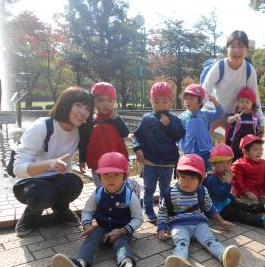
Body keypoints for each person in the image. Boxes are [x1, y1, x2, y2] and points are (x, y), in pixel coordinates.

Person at [51, 152, 143, 267]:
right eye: (106, 175)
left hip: (121, 230)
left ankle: (127, 266)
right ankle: (80, 264)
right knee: (91, 239)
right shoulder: (98, 193)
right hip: (101, 227)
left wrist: (123, 230)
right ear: (99, 176)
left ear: (125, 175)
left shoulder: (130, 196)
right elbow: (87, 211)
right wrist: (87, 224)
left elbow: (138, 218)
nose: (110, 179)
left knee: (121, 244)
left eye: (116, 174)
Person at [12, 86, 93, 237]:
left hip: (55, 178)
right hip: (29, 181)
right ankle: (31, 215)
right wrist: (49, 163)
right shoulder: (43, 126)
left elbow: (66, 164)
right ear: (65, 103)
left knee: (74, 182)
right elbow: (18, 168)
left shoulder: (78, 131)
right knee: (44, 193)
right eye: (78, 105)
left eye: (87, 108)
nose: (83, 112)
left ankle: (61, 207)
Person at [157, 154, 241, 267]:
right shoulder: (170, 193)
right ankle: (180, 261)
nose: (187, 181)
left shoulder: (202, 191)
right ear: (177, 175)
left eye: (192, 178)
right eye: (183, 177)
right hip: (179, 225)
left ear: (201, 178)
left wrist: (221, 221)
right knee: (181, 242)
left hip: (199, 223)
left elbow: (209, 208)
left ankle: (224, 256)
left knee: (210, 240)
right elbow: (163, 211)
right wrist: (162, 227)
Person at [133, 81, 185, 222]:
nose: (160, 105)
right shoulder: (147, 119)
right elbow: (138, 136)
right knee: (149, 189)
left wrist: (168, 126)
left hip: (167, 163)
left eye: (164, 102)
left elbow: (179, 136)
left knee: (164, 190)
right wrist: (138, 149)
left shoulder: (174, 120)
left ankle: (163, 211)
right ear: (151, 101)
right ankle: (148, 210)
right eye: (156, 102)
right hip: (149, 161)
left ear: (170, 102)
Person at [201, 30, 265, 137]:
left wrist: (261, 122)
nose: (236, 50)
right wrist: (193, 113)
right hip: (213, 111)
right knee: (205, 145)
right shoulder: (219, 66)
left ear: (246, 50)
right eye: (232, 46)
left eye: (241, 46)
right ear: (227, 49)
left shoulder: (249, 70)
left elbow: (255, 99)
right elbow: (204, 91)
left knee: (234, 147)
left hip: (234, 115)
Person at [204, 144, 265, 228]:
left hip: (225, 202)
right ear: (214, 164)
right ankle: (262, 220)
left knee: (244, 206)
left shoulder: (222, 174)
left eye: (228, 162)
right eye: (221, 162)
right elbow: (220, 196)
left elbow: (226, 193)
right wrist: (228, 183)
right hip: (217, 209)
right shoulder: (212, 179)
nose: (225, 166)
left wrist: (233, 198)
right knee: (240, 214)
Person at [78, 82, 129, 187]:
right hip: (98, 164)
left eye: (109, 100)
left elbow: (125, 133)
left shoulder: (116, 119)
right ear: (94, 103)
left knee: (119, 187)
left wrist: (117, 118)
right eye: (100, 100)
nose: (105, 104)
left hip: (117, 162)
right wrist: (82, 160)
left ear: (114, 102)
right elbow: (83, 141)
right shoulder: (90, 121)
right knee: (101, 188)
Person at [179, 83, 224, 170]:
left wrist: (215, 101)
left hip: (205, 152)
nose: (188, 101)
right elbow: (178, 134)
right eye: (186, 98)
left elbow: (220, 113)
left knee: (205, 172)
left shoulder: (206, 114)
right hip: (188, 154)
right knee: (191, 173)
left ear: (200, 101)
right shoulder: (182, 117)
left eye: (191, 98)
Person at [231, 134, 265, 205]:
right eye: (255, 149)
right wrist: (247, 192)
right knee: (253, 204)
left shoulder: (263, 163)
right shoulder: (239, 165)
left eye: (261, 149)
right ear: (245, 152)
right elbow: (238, 181)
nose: (259, 152)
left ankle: (264, 208)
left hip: (260, 193)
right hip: (245, 194)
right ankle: (242, 204)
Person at [225, 87, 259, 161]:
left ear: (252, 104)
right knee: (236, 159)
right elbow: (229, 120)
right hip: (236, 144)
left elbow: (257, 130)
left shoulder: (254, 117)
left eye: (247, 102)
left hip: (250, 144)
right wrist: (234, 117)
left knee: (249, 159)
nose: (244, 104)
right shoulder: (236, 115)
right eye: (242, 101)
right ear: (238, 103)